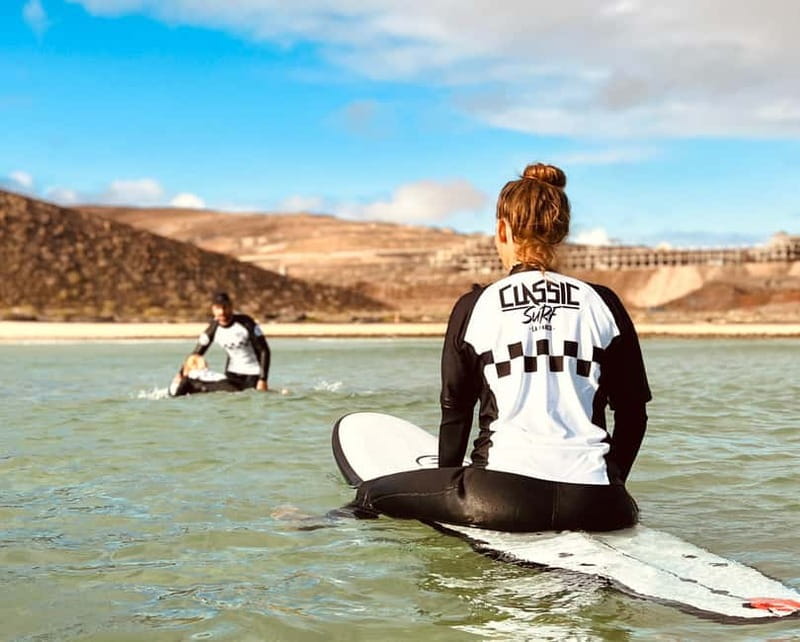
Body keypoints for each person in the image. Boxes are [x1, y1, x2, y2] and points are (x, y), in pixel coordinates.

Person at [348, 163, 651, 532]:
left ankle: (320, 525)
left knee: (369, 495)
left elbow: (455, 411)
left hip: (500, 499)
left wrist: (447, 484)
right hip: (602, 505)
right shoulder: (603, 301)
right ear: (563, 232)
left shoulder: (477, 305)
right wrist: (612, 483)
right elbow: (634, 414)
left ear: (502, 229)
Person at [190, 292, 271, 392]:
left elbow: (264, 351)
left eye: (225, 307)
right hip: (231, 374)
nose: (222, 312)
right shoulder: (213, 328)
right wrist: (180, 375)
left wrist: (263, 379)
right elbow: (196, 355)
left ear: (231, 307)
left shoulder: (246, 323)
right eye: (218, 308)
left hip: (253, 374)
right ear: (213, 310)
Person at [169, 354, 240, 397]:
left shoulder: (188, 380)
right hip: (231, 391)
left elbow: (175, 396)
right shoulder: (220, 376)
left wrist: (176, 382)